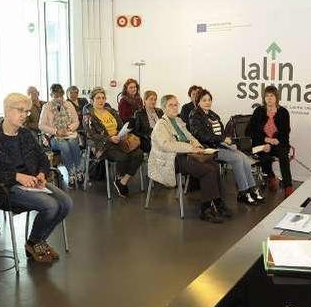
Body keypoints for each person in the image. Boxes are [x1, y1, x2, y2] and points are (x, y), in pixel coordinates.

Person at [0, 93, 72, 262]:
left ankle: (36, 240)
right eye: (20, 110)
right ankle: (36, 241)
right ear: (7, 111)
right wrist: (16, 176)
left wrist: (42, 173)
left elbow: (42, 158)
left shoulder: (25, 134)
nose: (24, 115)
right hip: (6, 188)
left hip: (32, 182)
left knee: (66, 203)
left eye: (27, 111)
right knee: (51, 205)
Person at [149, 94, 231, 223]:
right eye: (171, 105)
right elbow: (167, 145)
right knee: (207, 170)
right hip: (171, 159)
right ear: (164, 108)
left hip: (185, 154)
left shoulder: (178, 121)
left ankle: (217, 202)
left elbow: (190, 136)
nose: (175, 107)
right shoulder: (161, 125)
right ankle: (205, 210)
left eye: (176, 104)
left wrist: (197, 144)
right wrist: (191, 148)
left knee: (214, 165)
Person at [189, 89, 264, 206]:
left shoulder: (213, 114)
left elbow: (222, 133)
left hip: (219, 145)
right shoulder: (194, 115)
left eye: (209, 100)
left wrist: (227, 140)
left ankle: (252, 188)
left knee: (244, 157)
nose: (207, 102)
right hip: (208, 149)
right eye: (204, 100)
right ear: (198, 101)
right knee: (237, 158)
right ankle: (243, 192)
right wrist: (222, 139)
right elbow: (201, 135)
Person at [84, 87, 144, 198]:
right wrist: (109, 138)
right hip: (103, 144)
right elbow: (91, 135)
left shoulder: (110, 111)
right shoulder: (89, 115)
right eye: (98, 98)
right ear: (92, 100)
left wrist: (123, 133)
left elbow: (121, 125)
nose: (101, 100)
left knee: (139, 154)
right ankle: (119, 177)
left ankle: (122, 181)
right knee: (123, 156)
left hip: (118, 140)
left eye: (103, 98)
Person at [249, 85, 293, 196]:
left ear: (276, 98)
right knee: (264, 156)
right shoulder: (259, 111)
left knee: (283, 155)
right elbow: (249, 131)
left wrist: (275, 141)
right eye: (267, 96)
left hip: (278, 143)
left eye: (272, 96)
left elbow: (285, 132)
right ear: (264, 98)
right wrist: (266, 140)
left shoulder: (283, 112)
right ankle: (271, 176)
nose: (269, 98)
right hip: (261, 143)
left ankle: (288, 186)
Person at [39, 84, 83, 186]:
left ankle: (79, 170)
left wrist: (68, 128)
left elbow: (76, 121)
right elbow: (41, 125)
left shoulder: (68, 104)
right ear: (51, 95)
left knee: (72, 143)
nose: (59, 99)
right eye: (56, 96)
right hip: (53, 136)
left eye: (60, 96)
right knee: (65, 146)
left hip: (69, 133)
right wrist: (56, 131)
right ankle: (71, 173)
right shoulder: (47, 107)